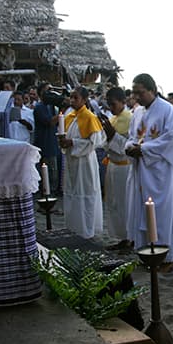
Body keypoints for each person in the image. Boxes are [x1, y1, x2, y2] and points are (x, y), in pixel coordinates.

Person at [125, 74, 173, 272]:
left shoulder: (168, 111)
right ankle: (146, 253)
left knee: (162, 216)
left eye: (140, 92)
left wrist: (143, 150)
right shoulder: (137, 112)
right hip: (142, 172)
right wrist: (130, 146)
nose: (136, 97)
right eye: (134, 92)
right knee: (142, 213)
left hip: (162, 175)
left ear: (152, 90)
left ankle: (167, 258)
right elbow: (132, 136)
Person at [59, 86, 106, 239]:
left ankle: (86, 230)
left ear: (85, 100)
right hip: (71, 161)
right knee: (72, 193)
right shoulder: (69, 116)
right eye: (71, 97)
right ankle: (73, 228)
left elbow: (94, 142)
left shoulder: (90, 117)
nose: (72, 100)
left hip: (85, 162)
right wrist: (64, 142)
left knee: (85, 194)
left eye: (76, 98)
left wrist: (72, 142)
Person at [101, 87, 134, 252]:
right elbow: (106, 144)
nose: (111, 108)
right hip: (112, 166)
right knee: (114, 203)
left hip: (124, 167)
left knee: (125, 204)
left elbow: (128, 146)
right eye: (108, 104)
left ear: (123, 102)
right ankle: (121, 237)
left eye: (113, 104)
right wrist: (108, 136)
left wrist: (113, 135)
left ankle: (130, 239)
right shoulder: (113, 118)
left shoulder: (130, 119)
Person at [33, 82, 61, 195]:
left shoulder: (51, 106)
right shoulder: (39, 107)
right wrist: (62, 111)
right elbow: (49, 122)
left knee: (53, 172)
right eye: (47, 91)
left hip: (52, 142)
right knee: (47, 172)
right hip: (45, 143)